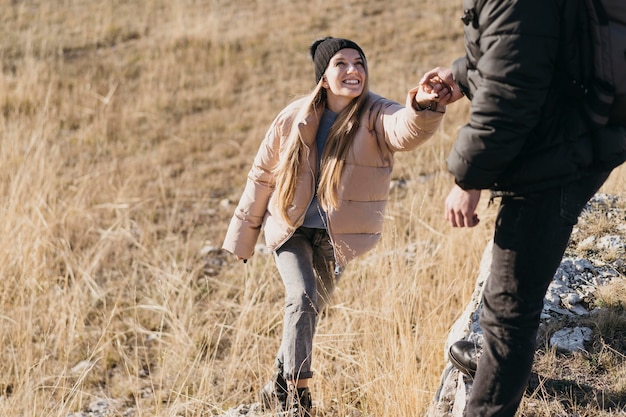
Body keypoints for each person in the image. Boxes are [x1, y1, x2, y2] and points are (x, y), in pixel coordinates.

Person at [222, 36, 454, 416]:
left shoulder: (376, 114)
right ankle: (296, 398)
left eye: (359, 63)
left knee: (310, 308)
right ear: (324, 78)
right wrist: (241, 238)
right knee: (302, 296)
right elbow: (262, 176)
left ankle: (277, 383)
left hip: (336, 237)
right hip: (290, 229)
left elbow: (405, 129)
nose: (353, 70)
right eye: (342, 64)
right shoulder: (294, 116)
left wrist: (425, 104)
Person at [420, 1, 626, 416]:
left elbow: (508, 97)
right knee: (512, 306)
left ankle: (495, 382)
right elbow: (525, 51)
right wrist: (461, 74)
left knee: (508, 311)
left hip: (558, 155)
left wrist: (469, 179)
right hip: (580, 138)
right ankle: (500, 363)